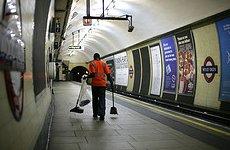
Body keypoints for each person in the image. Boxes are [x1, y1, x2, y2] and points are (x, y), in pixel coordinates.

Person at [84, 53, 113, 120]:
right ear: (99, 57)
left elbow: (93, 74)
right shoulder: (104, 64)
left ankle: (95, 113)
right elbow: (108, 74)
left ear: (94, 58)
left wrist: (86, 76)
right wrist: (111, 83)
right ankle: (102, 115)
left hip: (95, 85)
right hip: (102, 85)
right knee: (102, 99)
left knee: (95, 99)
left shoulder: (92, 63)